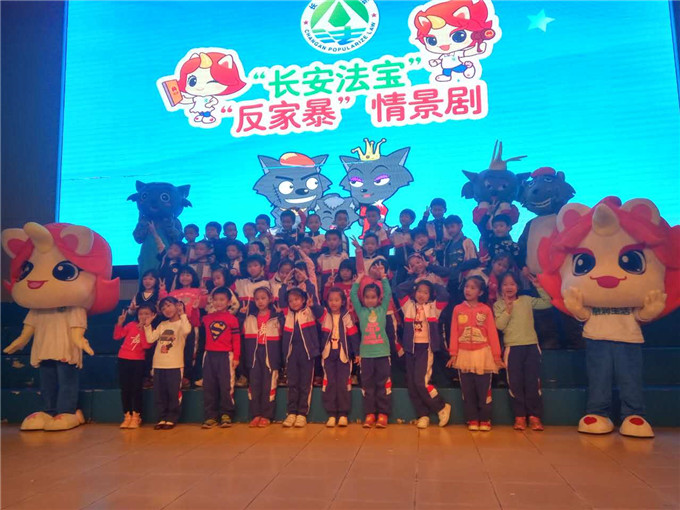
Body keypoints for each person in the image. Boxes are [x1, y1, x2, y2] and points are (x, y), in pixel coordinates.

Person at [494, 272, 552, 431]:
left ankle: (534, 416)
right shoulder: (498, 305)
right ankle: (519, 416)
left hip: (531, 345)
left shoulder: (526, 300)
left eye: (512, 284)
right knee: (515, 383)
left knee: (532, 382)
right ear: (500, 287)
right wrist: (508, 309)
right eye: (505, 284)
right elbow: (499, 326)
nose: (509, 287)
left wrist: (539, 286)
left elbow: (547, 302)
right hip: (512, 347)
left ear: (518, 286)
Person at [447, 276, 503, 431]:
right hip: (464, 354)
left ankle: (485, 418)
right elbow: (454, 332)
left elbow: (492, 333)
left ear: (480, 292)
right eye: (467, 286)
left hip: (483, 354)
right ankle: (472, 418)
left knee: (483, 389)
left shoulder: (485, 310)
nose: (468, 290)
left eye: (473, 288)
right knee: (468, 390)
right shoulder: (458, 309)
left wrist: (496, 356)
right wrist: (453, 353)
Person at [396, 277, 452, 429]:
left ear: (430, 295)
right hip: (410, 348)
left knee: (421, 382)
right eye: (419, 291)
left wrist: (432, 282)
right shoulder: (408, 306)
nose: (421, 295)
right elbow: (399, 290)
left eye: (426, 292)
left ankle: (441, 406)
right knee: (412, 385)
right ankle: (423, 415)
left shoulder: (434, 308)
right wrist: (415, 280)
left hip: (425, 349)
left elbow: (444, 295)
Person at [350, 263, 393, 428]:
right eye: (367, 297)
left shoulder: (382, 309)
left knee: (382, 385)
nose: (370, 299)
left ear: (378, 298)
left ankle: (383, 414)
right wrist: (359, 280)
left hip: (382, 354)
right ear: (363, 298)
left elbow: (388, 293)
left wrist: (383, 276)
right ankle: (370, 414)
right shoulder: (361, 311)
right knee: (368, 386)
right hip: (366, 356)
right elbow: (353, 295)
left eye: (373, 297)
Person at [279, 284, 325, 428]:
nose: (294, 303)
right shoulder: (286, 314)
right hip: (292, 354)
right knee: (292, 383)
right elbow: (281, 297)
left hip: (307, 354)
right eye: (291, 300)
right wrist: (284, 284)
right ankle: (291, 412)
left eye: (297, 299)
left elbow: (321, 314)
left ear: (304, 300)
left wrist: (313, 304)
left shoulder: (310, 311)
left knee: (305, 384)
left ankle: (302, 414)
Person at [144, 297, 192, 430]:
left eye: (169, 305)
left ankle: (172, 418)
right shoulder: (162, 324)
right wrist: (147, 325)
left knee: (173, 393)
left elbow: (186, 330)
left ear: (177, 305)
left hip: (175, 365)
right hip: (158, 364)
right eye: (163, 308)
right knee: (160, 394)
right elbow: (150, 339)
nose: (167, 310)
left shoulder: (183, 323)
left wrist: (183, 314)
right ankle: (162, 417)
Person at [241, 287, 282, 428]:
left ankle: (267, 415)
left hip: (270, 353)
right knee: (254, 384)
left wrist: (280, 315)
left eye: (263, 298)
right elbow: (240, 331)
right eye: (257, 298)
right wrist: (241, 315)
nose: (260, 301)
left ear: (270, 299)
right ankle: (256, 414)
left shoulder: (276, 317)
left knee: (268, 385)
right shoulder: (250, 317)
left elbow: (284, 334)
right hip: (254, 354)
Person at [319, 287, 360, 427]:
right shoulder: (325, 314)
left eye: (336, 300)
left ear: (342, 301)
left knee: (343, 383)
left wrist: (357, 353)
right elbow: (315, 309)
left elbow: (353, 335)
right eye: (330, 300)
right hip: (328, 353)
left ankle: (343, 414)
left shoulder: (347, 316)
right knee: (330, 382)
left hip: (344, 354)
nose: (333, 303)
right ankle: (331, 413)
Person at [161, 266, 207, 388]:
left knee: (192, 351)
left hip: (193, 324)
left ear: (193, 277)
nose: (185, 277)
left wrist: (203, 294)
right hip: (177, 326)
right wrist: (162, 291)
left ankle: (191, 376)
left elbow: (203, 305)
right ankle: (180, 376)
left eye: (188, 275)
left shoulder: (197, 290)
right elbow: (165, 304)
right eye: (182, 275)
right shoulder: (173, 293)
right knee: (178, 350)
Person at [201, 288, 241, 429]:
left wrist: (236, 357)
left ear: (229, 302)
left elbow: (236, 340)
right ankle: (211, 415)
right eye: (216, 299)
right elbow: (194, 322)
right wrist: (194, 308)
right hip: (209, 355)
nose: (218, 302)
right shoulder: (207, 318)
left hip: (226, 356)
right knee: (209, 386)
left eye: (222, 299)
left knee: (226, 386)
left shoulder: (232, 319)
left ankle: (226, 414)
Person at [114, 305, 154, 428]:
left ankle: (136, 416)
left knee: (136, 389)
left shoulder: (150, 329)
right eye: (141, 313)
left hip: (138, 361)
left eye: (147, 314)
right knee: (125, 388)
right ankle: (127, 415)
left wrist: (142, 330)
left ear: (152, 315)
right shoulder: (131, 325)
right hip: (123, 358)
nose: (143, 316)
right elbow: (117, 336)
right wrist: (120, 323)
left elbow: (146, 345)